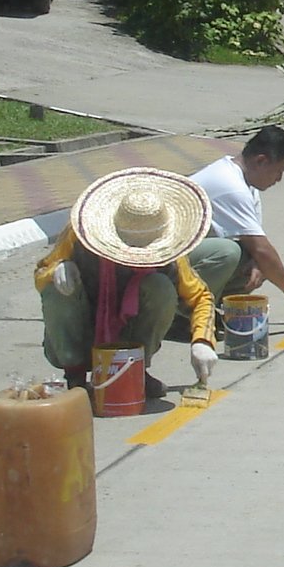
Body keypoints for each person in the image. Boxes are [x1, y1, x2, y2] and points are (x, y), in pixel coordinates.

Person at [35, 167, 217, 396]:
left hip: (128, 334)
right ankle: (76, 378)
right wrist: (56, 270)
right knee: (56, 289)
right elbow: (42, 271)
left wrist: (202, 341)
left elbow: (200, 297)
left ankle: (135, 370)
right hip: (81, 330)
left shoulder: (172, 257)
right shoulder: (79, 233)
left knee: (160, 287)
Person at [186, 124, 284, 316]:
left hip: (191, 253)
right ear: (261, 161)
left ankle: (212, 303)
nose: (279, 179)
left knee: (259, 265)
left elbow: (256, 244)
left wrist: (258, 263)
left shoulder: (248, 185)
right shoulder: (231, 186)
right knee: (228, 253)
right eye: (278, 171)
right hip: (166, 262)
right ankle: (184, 313)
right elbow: (262, 249)